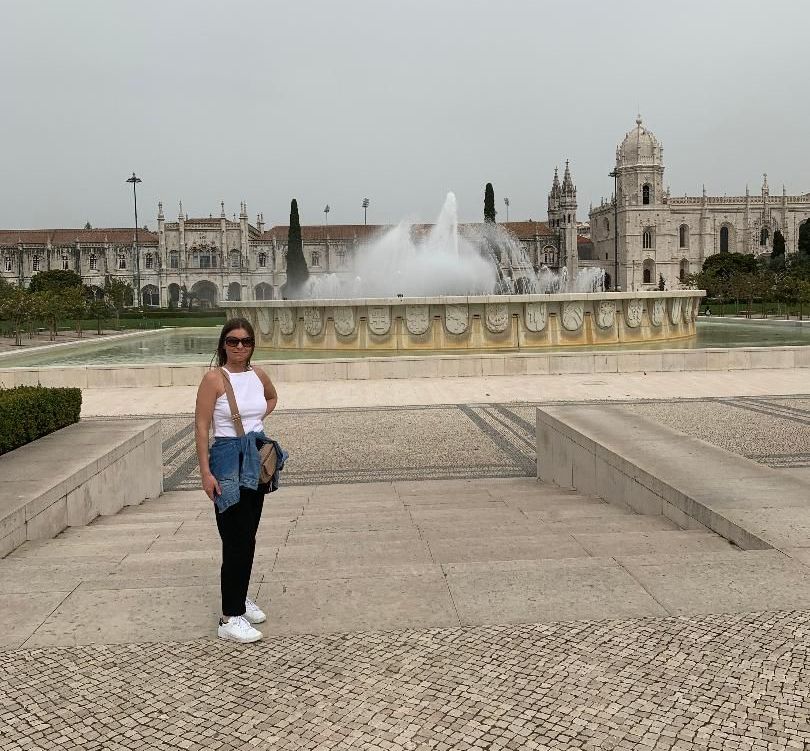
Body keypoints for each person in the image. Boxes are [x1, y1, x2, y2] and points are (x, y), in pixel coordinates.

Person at [195, 318, 278, 643]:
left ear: (252, 344)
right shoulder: (214, 379)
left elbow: (271, 398)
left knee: (248, 535)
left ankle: (239, 597)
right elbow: (202, 428)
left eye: (245, 341)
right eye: (233, 341)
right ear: (223, 344)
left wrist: (254, 420)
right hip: (227, 461)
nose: (239, 347)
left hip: (255, 456)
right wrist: (205, 472)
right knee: (234, 538)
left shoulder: (258, 375)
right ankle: (229, 617)